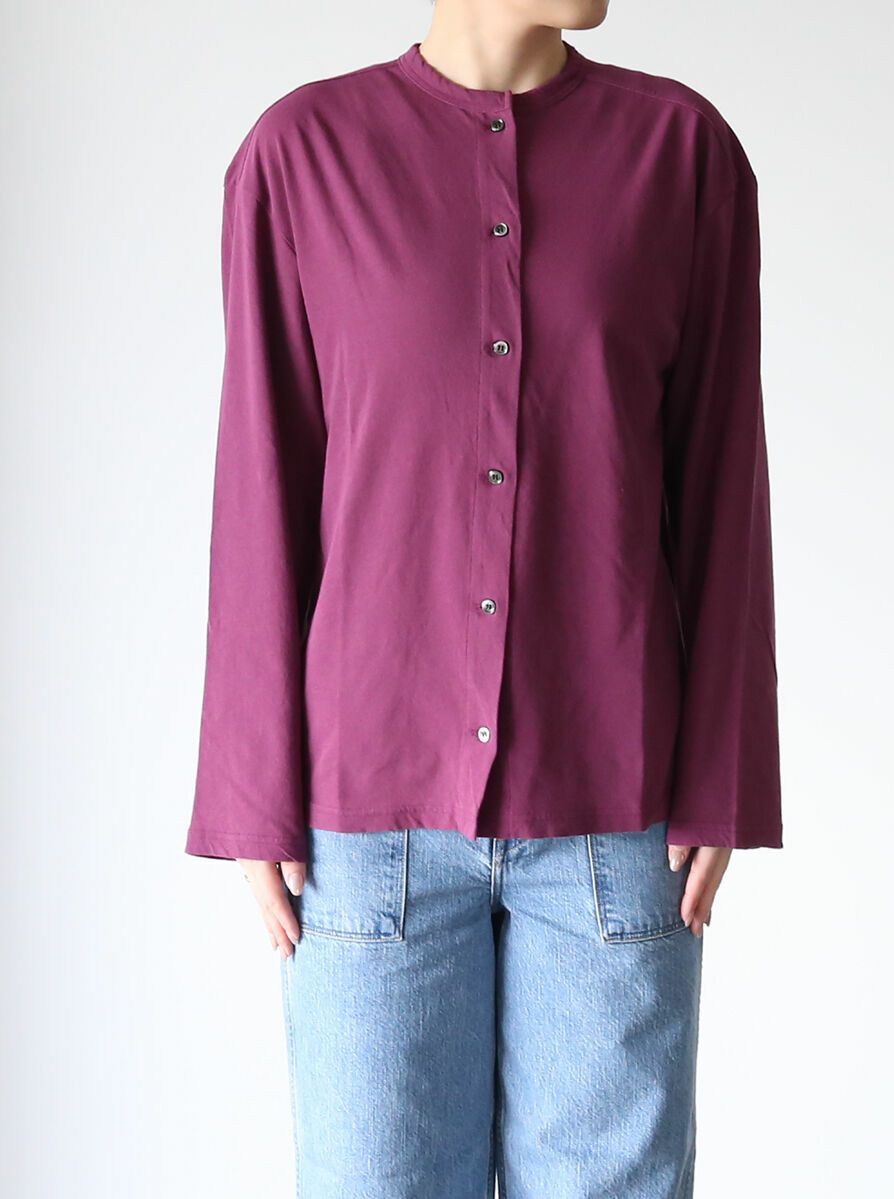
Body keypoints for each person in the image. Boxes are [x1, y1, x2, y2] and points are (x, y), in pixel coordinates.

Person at [184, 1, 783, 1194]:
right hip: (368, 823)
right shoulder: (301, 156)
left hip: (613, 815)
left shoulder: (681, 154)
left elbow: (723, 476)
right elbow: (262, 473)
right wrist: (252, 787)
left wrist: (723, 769)